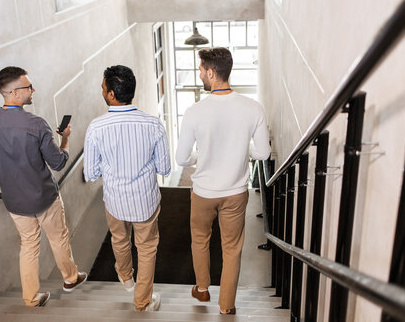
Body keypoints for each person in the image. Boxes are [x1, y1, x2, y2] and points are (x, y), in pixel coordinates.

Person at [0, 66, 86, 307]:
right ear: (14, 92)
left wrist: (9, 168)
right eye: (28, 87)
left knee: (28, 245)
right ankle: (70, 278)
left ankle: (31, 297)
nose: (32, 90)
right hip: (45, 197)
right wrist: (65, 139)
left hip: (15, 201)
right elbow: (58, 162)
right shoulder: (36, 124)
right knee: (58, 238)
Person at [175, 47, 271, 315]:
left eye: (201, 71)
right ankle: (227, 306)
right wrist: (242, 150)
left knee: (200, 239)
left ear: (211, 72)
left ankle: (202, 288)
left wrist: (202, 154)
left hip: (203, 193)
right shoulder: (253, 108)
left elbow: (182, 159)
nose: (199, 75)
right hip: (236, 193)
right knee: (232, 249)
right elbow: (263, 153)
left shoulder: (195, 111)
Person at [84, 65, 171, 312]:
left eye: (103, 87)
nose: (101, 90)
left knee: (120, 239)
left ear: (111, 94)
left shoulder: (96, 128)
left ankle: (126, 279)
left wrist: (112, 165)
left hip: (115, 201)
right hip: (145, 201)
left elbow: (90, 173)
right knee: (146, 248)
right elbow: (164, 168)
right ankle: (142, 301)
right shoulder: (153, 124)